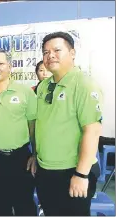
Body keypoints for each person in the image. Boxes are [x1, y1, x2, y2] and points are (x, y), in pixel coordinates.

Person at [35, 31, 103, 216]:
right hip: (45, 170)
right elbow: (42, 126)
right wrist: (36, 156)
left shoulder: (84, 84)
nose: (50, 56)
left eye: (57, 50)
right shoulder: (43, 86)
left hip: (72, 172)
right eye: (46, 52)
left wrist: (81, 175)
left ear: (72, 53)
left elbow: (92, 131)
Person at [0, 48, 37, 216]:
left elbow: (33, 126)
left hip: (20, 159)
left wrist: (35, 154)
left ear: (10, 67)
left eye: (0, 64)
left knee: (24, 206)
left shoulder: (25, 92)